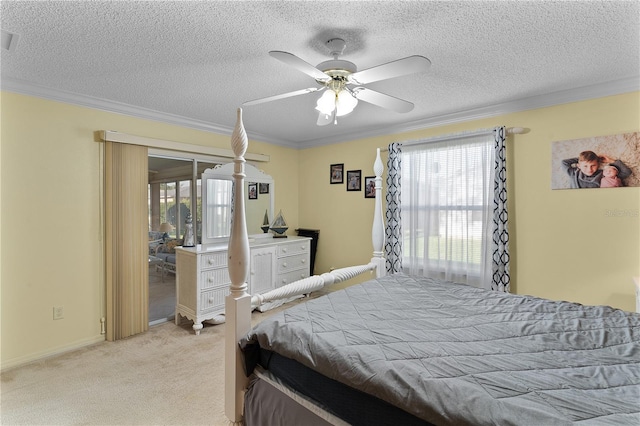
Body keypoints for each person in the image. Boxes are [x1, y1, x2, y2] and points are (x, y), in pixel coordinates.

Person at [562, 151, 631, 189]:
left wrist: (610, 161)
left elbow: (626, 172)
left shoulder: (603, 174)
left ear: (598, 164)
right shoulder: (574, 173)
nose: (589, 169)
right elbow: (564, 162)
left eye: (593, 165)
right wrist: (582, 159)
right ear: (579, 166)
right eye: (585, 166)